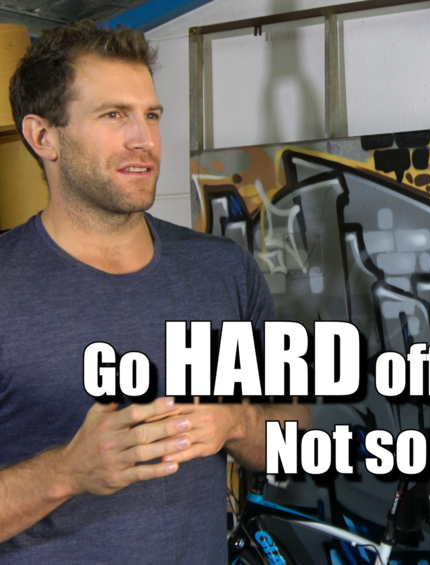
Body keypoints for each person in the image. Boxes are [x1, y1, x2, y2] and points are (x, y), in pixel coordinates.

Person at [0, 21, 311, 563]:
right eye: (113, 115)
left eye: (151, 115)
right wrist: (67, 472)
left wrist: (235, 421)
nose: (143, 139)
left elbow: (297, 442)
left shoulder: (222, 270)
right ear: (43, 136)